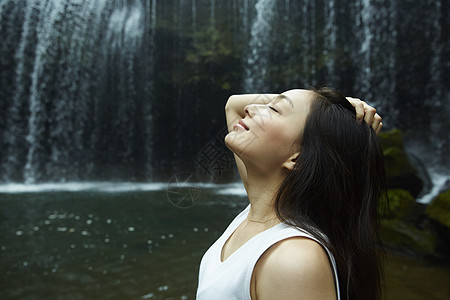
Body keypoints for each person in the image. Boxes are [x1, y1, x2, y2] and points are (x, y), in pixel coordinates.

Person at [196, 87, 386, 300]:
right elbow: (234, 104)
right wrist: (337, 106)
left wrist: (330, 111)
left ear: (297, 159)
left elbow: (236, 106)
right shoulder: (260, 210)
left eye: (274, 110)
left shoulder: (293, 259)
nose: (250, 108)